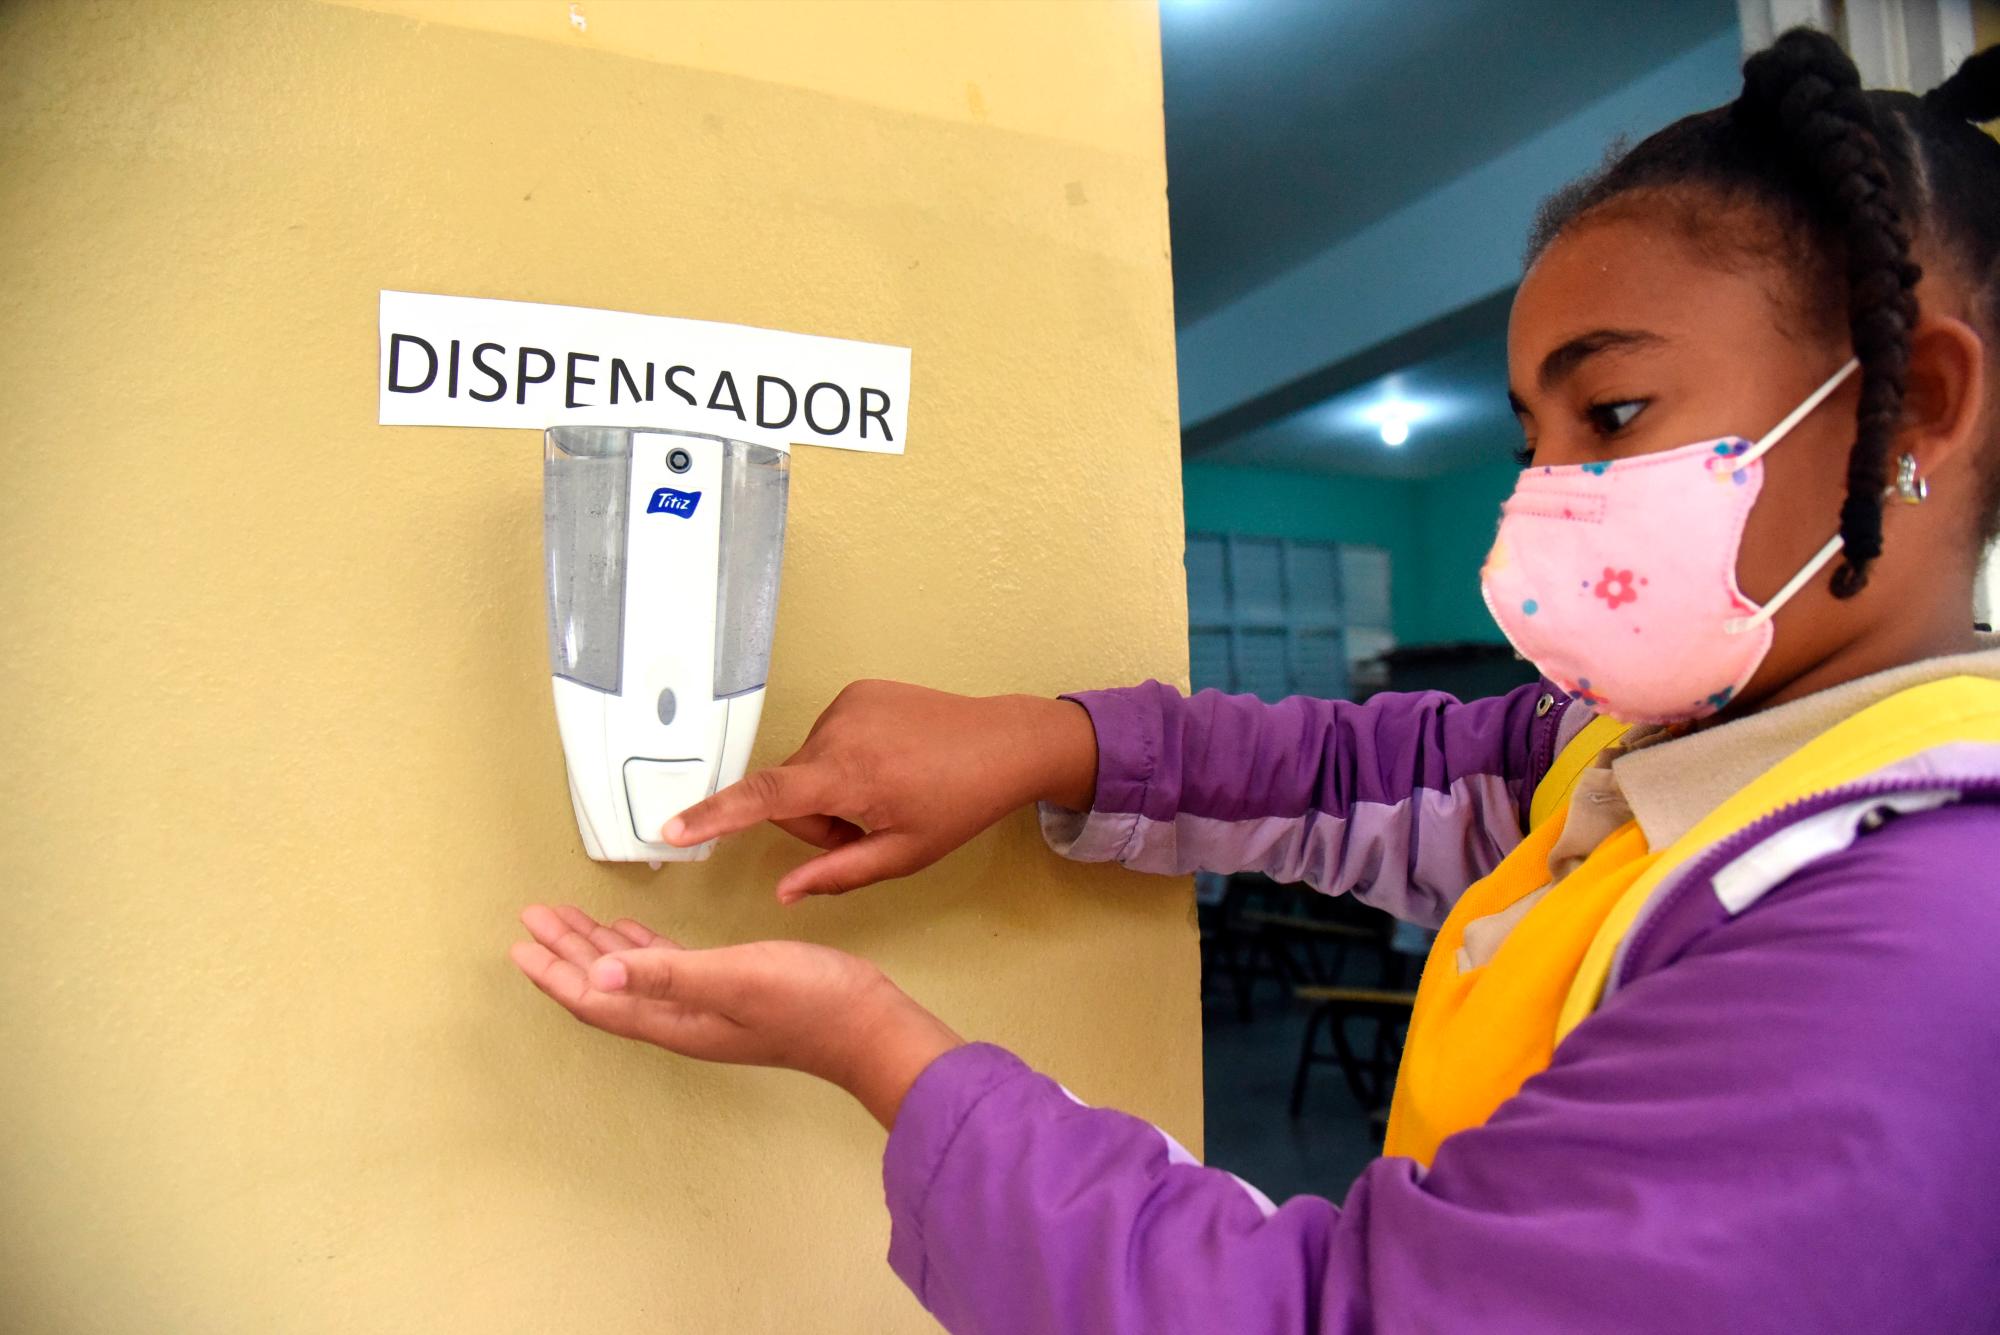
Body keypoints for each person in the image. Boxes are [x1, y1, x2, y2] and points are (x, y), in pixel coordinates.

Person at [509, 31, 2000, 1333]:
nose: (1546, 498)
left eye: (1612, 413)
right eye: (1533, 440)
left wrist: (878, 1048)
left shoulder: (1918, 936)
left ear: (1911, 410)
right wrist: (1043, 745)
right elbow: (1366, 776)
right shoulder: (1668, 760)